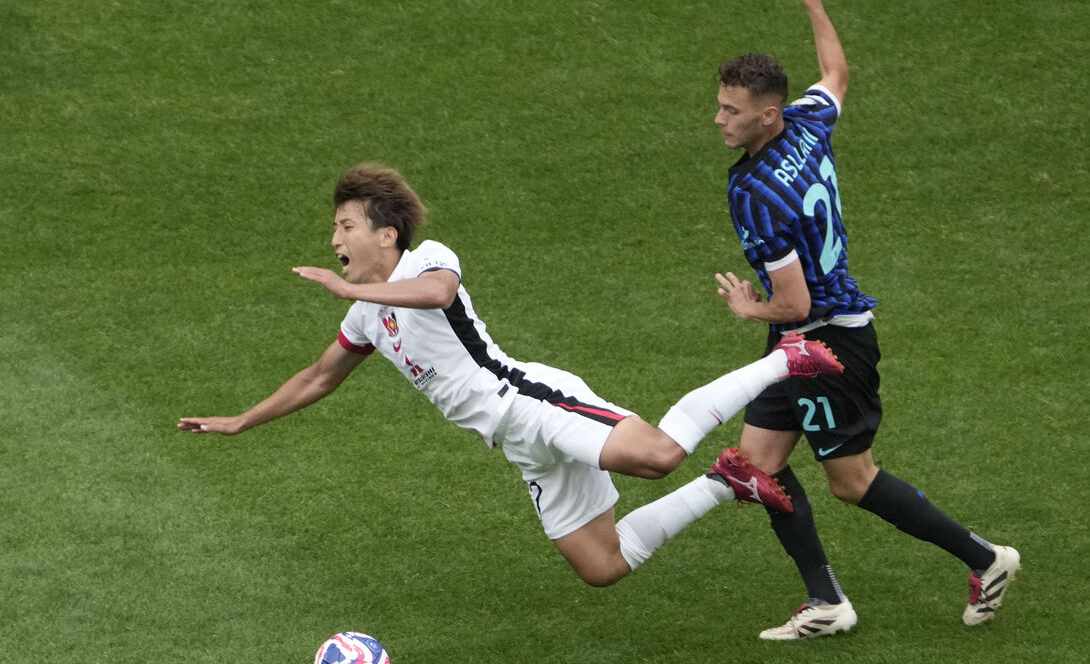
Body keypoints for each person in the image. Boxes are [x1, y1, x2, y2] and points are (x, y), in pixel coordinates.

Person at [179, 162, 845, 589]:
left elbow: (439, 294)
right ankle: (728, 481)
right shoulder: (367, 318)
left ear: (385, 234)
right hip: (515, 443)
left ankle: (785, 360)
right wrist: (243, 421)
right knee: (602, 565)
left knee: (658, 456)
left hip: (530, 402)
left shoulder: (426, 259)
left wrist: (349, 290)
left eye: (344, 226)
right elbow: (317, 378)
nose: (334, 240)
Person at [711, 0, 1019, 639]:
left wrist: (748, 308)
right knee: (755, 466)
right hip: (799, 342)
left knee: (852, 482)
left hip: (825, 343)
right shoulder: (806, 124)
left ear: (766, 113)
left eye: (731, 110)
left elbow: (795, 304)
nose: (719, 119)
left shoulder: (757, 195)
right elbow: (837, 74)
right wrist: (813, 0)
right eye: (720, 105)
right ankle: (826, 602)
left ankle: (986, 558)